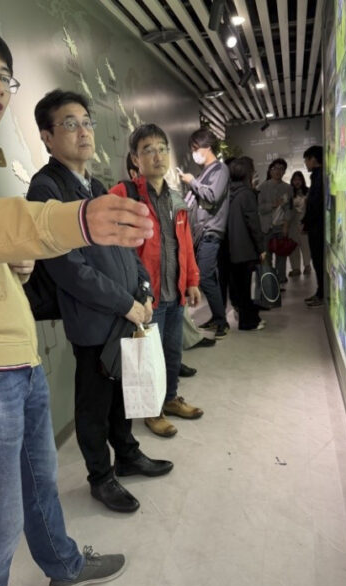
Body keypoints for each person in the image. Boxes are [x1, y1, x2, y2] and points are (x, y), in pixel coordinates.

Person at [0, 18, 155, 586]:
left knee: (40, 482)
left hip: (15, 353)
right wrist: (76, 222)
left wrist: (12, 263)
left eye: (4, 76)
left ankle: (63, 564)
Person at [27, 90, 173, 515]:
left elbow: (126, 246)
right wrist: (126, 303)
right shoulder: (46, 188)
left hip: (125, 311)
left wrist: (143, 290)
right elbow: (68, 268)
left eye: (86, 122)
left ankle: (127, 454)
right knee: (93, 403)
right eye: (70, 124)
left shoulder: (95, 185)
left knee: (122, 394)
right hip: (93, 319)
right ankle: (100, 477)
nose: (83, 131)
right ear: (47, 137)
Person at [112, 123, 203, 439]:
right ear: (135, 159)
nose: (157, 156)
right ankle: (152, 410)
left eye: (162, 149)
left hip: (174, 292)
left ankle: (170, 398)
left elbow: (185, 244)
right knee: (149, 358)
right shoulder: (124, 194)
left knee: (173, 352)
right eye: (148, 150)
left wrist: (191, 280)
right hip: (146, 297)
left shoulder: (176, 198)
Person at [181, 128, 230, 338]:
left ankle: (221, 322)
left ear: (207, 147)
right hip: (200, 232)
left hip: (211, 231)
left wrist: (192, 181)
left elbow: (212, 196)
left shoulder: (220, 169)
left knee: (204, 275)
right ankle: (218, 317)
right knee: (208, 275)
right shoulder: (205, 172)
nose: (194, 153)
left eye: (195, 148)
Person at [226, 157, 267, 331]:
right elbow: (253, 224)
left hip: (231, 249)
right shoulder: (247, 194)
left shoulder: (228, 193)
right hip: (246, 249)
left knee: (239, 288)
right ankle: (248, 322)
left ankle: (247, 319)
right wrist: (261, 248)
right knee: (247, 288)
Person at [257, 158, 292, 283]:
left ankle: (280, 280)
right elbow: (259, 208)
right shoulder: (262, 187)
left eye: (281, 169)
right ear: (270, 171)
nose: (278, 171)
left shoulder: (288, 188)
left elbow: (289, 208)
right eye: (275, 168)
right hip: (266, 227)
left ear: (284, 172)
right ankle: (268, 281)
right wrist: (272, 205)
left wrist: (286, 225)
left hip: (281, 226)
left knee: (281, 255)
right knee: (266, 257)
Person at [302, 146, 325, 306]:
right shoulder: (317, 176)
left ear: (313, 159)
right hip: (316, 226)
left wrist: (306, 222)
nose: (305, 163)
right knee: (317, 261)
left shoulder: (319, 176)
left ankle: (321, 294)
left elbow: (315, 204)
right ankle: (320, 292)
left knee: (318, 261)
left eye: (306, 159)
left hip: (318, 228)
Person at [287, 170, 311, 277]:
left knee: (305, 246)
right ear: (292, 181)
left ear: (302, 180)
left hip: (304, 222)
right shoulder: (289, 193)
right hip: (292, 224)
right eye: (295, 180)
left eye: (299, 179)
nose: (297, 182)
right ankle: (295, 268)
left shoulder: (308, 192)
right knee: (293, 247)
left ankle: (307, 265)